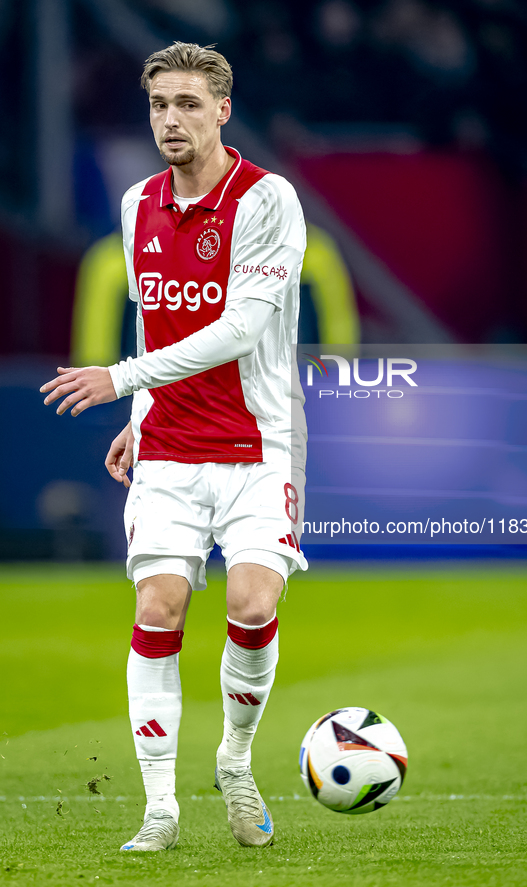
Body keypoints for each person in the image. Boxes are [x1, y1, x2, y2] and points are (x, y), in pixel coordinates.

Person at [41, 41, 307, 852]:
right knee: (157, 610)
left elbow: (237, 330)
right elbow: (160, 322)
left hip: (259, 446)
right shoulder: (135, 204)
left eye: (189, 104)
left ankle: (233, 757)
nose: (171, 120)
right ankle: (159, 808)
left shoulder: (267, 200)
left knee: (251, 606)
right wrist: (142, 410)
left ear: (223, 110)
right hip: (168, 451)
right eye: (160, 105)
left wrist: (120, 379)